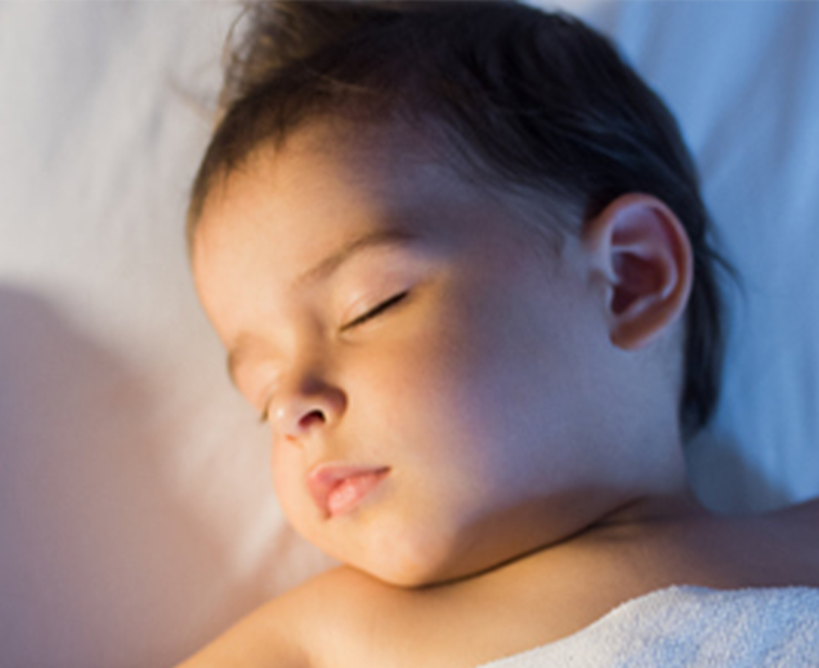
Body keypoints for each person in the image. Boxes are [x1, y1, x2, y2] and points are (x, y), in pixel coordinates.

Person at [178, 1, 819, 666]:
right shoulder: (329, 638)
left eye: (370, 306)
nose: (291, 406)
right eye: (262, 394)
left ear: (630, 277)